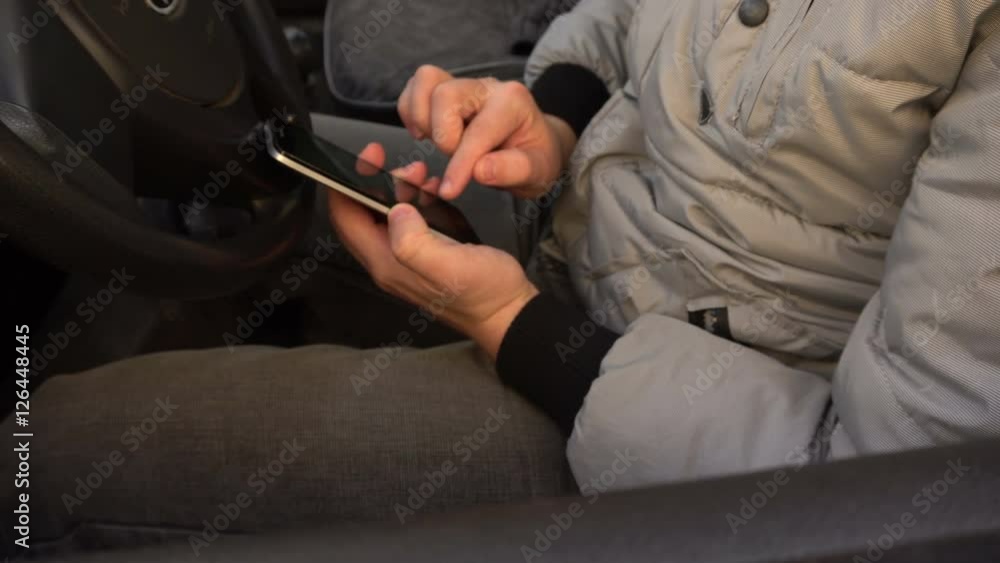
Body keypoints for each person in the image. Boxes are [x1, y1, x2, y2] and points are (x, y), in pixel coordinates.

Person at [7, 0, 1000, 553]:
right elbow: (619, 15)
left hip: (660, 438)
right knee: (260, 173)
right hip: (565, 226)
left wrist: (514, 329)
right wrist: (549, 120)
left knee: (45, 448)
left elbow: (894, 485)